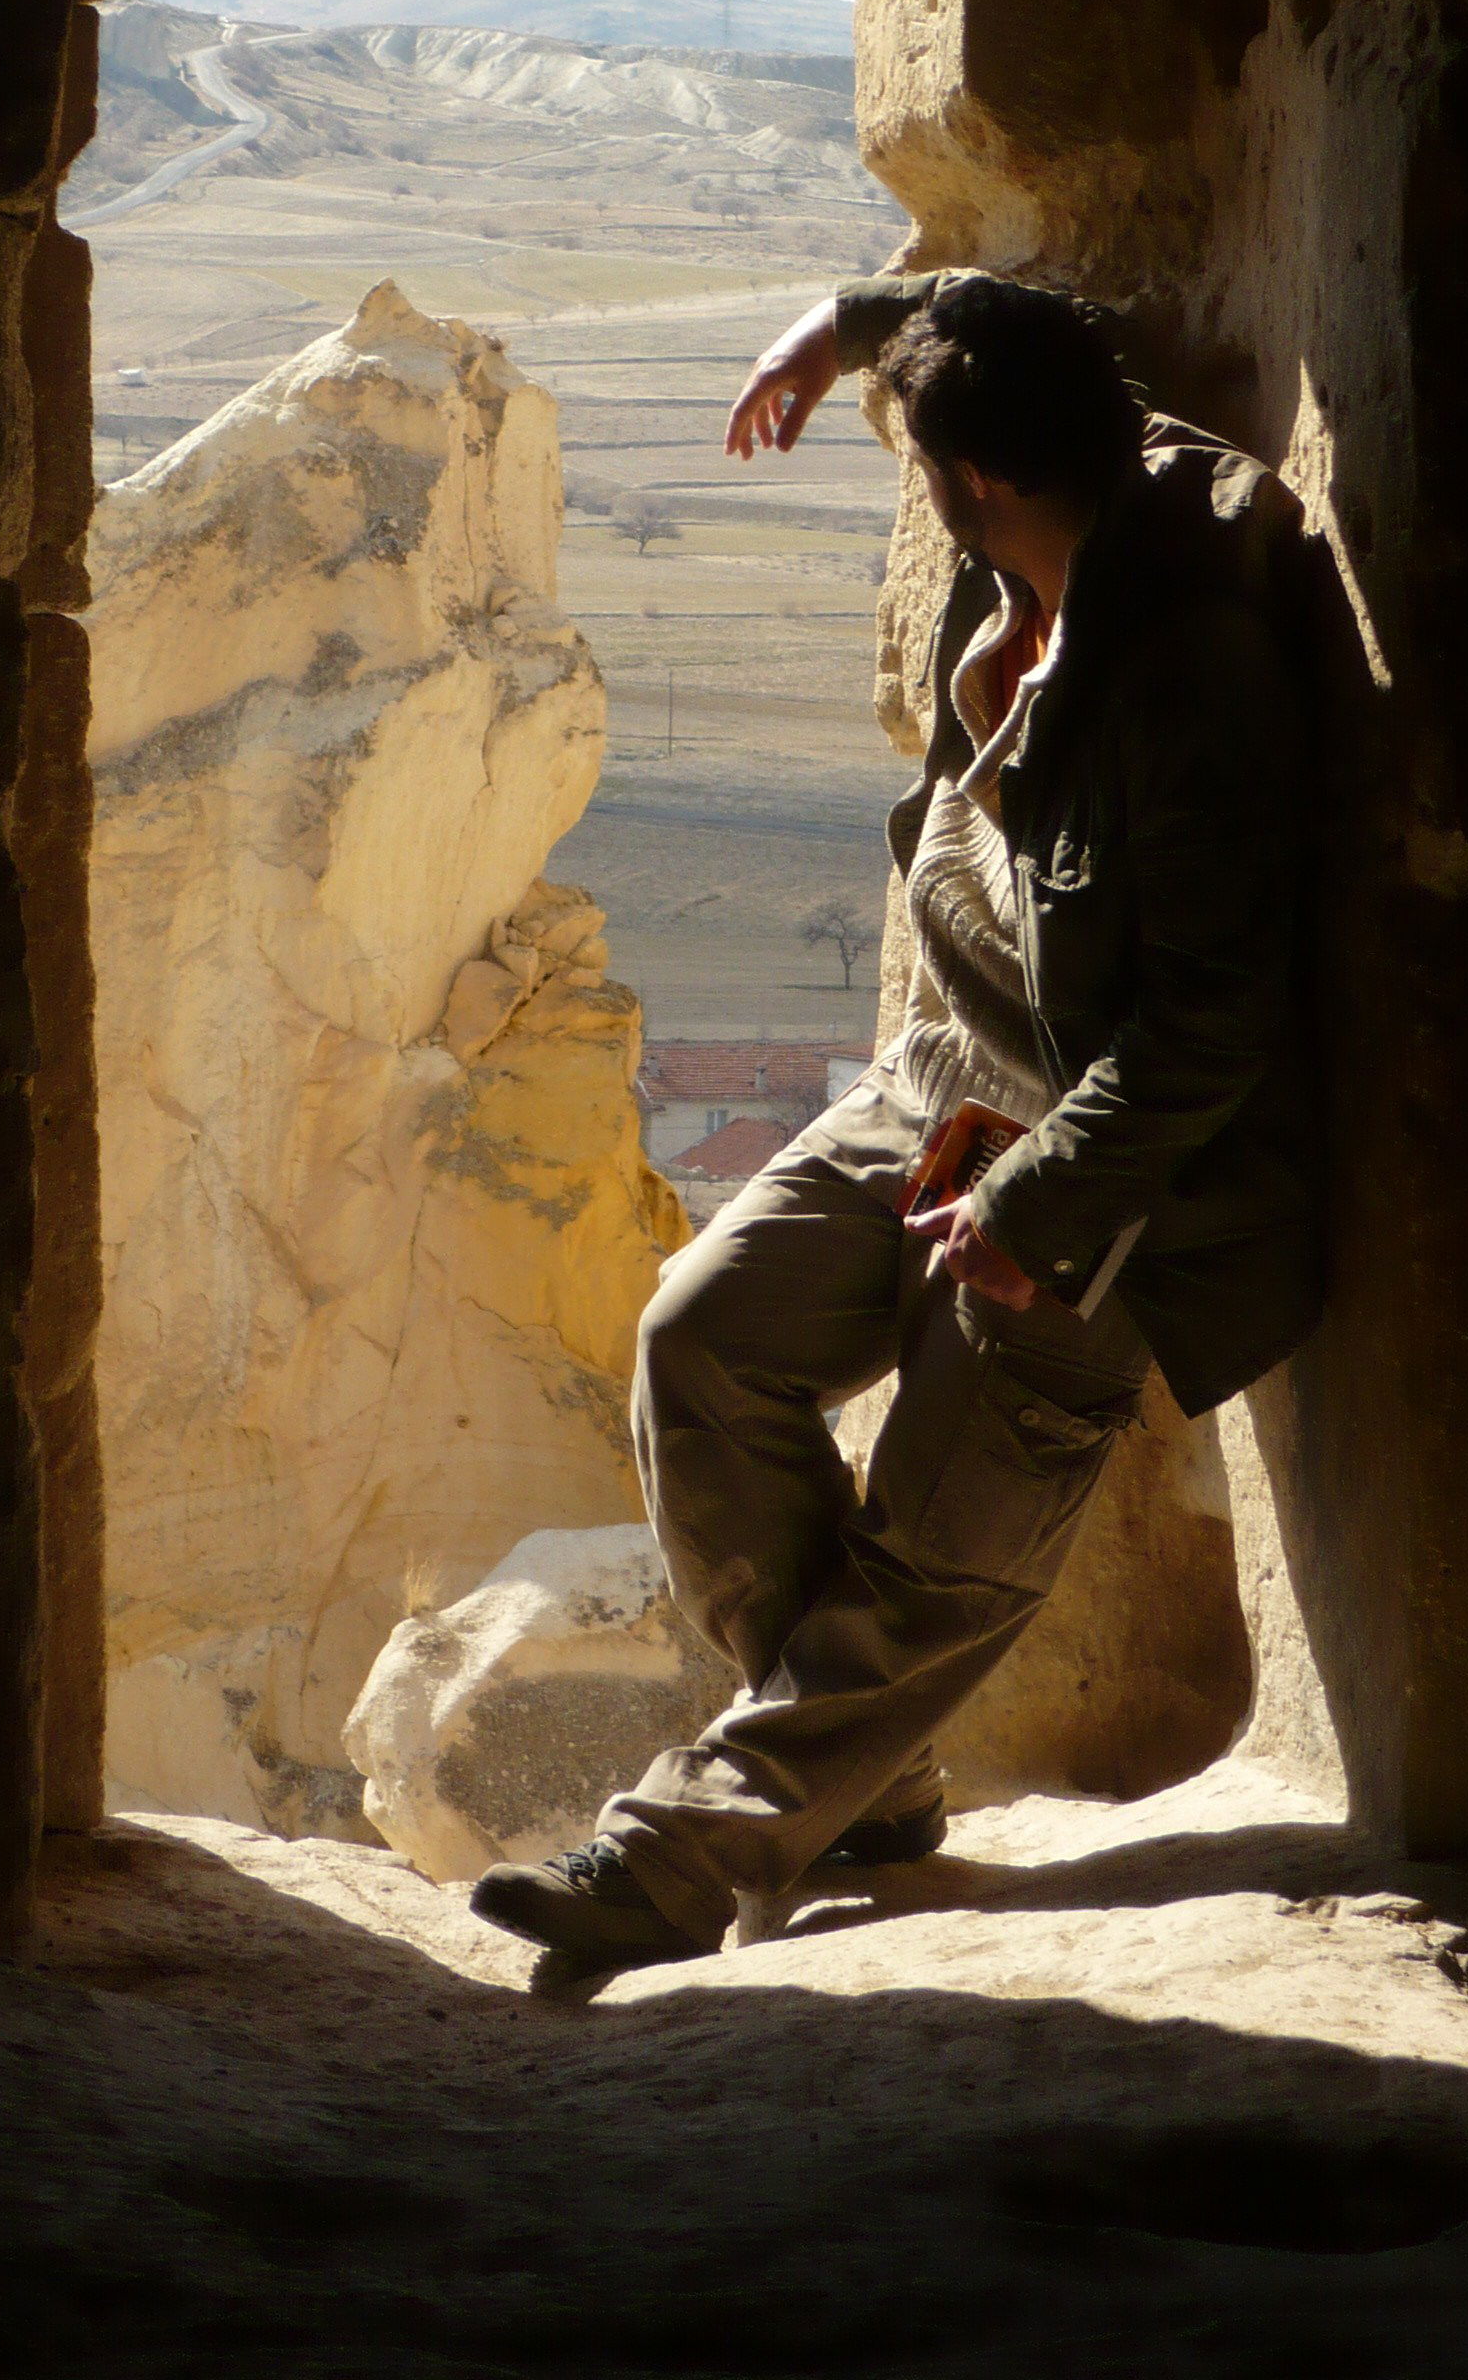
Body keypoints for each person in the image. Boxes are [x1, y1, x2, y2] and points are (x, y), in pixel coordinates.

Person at [471, 269, 1323, 1970]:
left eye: (913, 453)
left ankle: (672, 1861)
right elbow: (1016, 314)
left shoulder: (1182, 680)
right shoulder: (1052, 485)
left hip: (1113, 1173)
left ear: (980, 480)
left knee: (940, 1549)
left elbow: (1215, 1024)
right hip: (943, 1083)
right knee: (696, 1344)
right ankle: (866, 1779)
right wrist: (849, 330)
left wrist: (1036, 1214)